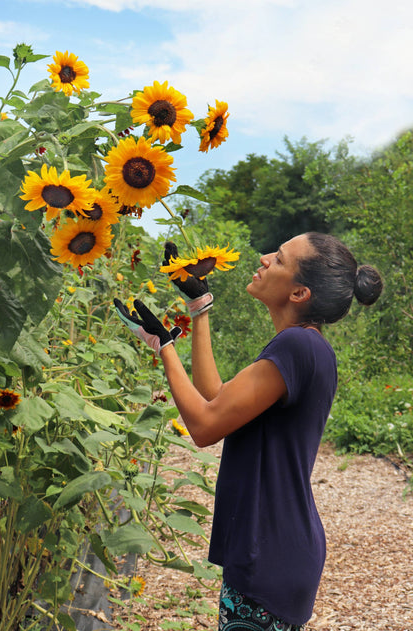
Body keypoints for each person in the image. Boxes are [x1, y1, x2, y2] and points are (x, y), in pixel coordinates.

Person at [114, 231, 383, 631]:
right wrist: (199, 309)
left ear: (299, 293)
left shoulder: (296, 347)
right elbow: (217, 397)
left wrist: (164, 346)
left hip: (269, 555)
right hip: (274, 548)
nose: (263, 258)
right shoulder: (304, 347)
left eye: (279, 260)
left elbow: (204, 426)